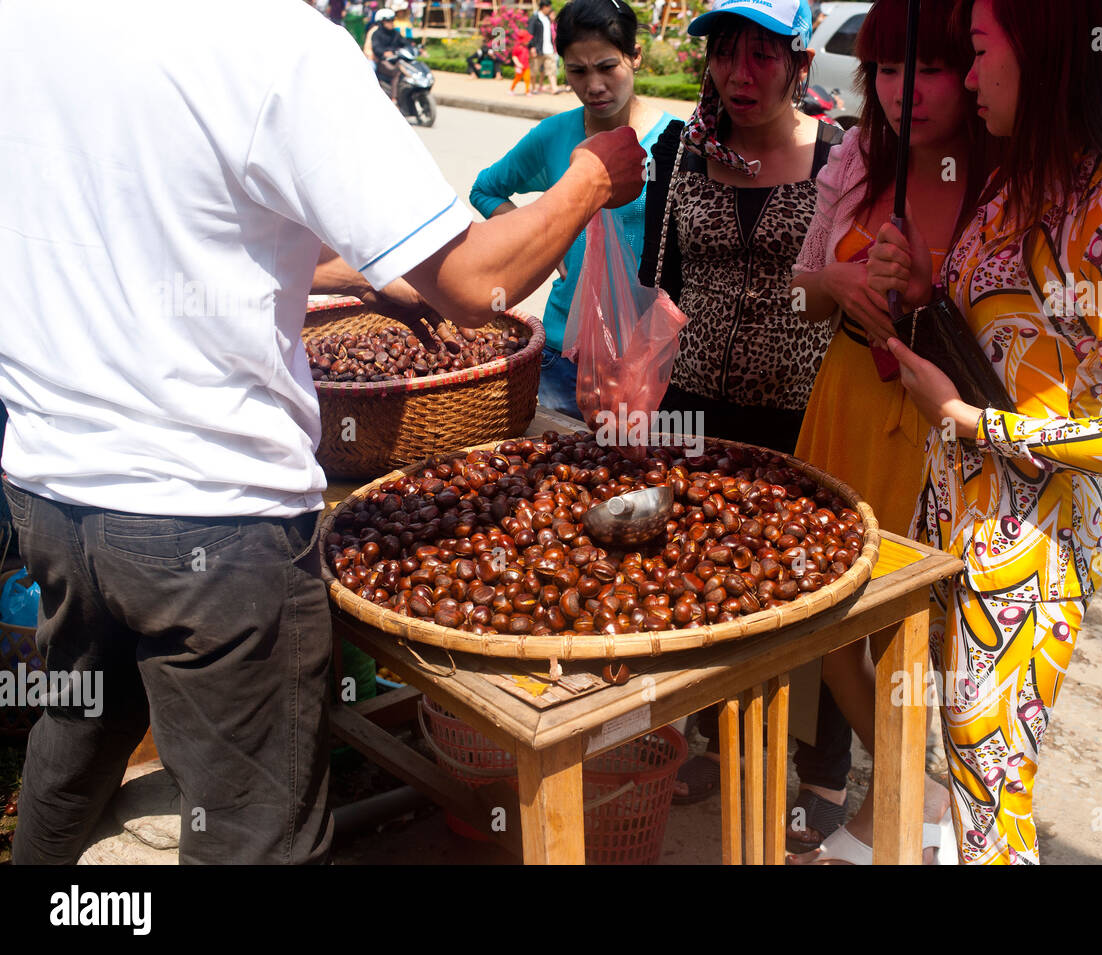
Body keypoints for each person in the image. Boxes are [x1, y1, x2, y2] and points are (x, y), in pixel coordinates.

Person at [0, 0, 644, 866]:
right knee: (253, 833)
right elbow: (477, 280)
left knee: (76, 739)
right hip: (211, 520)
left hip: (50, 486)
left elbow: (189, 221)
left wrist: (386, 264)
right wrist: (594, 177)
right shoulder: (273, 40)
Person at [866, 0, 1102, 864]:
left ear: (1043, 56)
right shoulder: (1018, 182)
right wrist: (932, 290)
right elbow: (1020, 351)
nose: (967, 78)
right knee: (967, 778)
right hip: (953, 523)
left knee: (991, 798)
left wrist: (975, 421)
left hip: (1026, 554)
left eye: (976, 53)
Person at [786, 0, 991, 864]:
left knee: (910, 624)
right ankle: (910, 789)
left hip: (934, 410)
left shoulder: (997, 172)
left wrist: (922, 291)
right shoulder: (862, 153)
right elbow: (802, 290)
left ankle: (888, 808)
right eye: (889, 71)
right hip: (847, 394)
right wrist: (837, 277)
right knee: (827, 614)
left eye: (932, 68)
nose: (906, 90)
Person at [637, 0, 848, 805]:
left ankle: (822, 779)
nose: (741, 74)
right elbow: (662, 282)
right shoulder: (679, 147)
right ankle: (715, 748)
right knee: (696, 572)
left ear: (799, 63)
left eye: (764, 55)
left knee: (812, 585)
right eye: (726, 53)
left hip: (802, 409)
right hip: (691, 407)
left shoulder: (841, 154)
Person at [472, 0, 675, 419]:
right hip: (565, 352)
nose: (594, 85)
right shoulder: (553, 136)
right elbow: (486, 189)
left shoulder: (675, 142)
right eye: (578, 71)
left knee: (637, 474)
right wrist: (548, 244)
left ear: (635, 56)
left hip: (649, 355)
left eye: (607, 66)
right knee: (564, 470)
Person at [366, 8, 407, 101]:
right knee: (396, 71)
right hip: (380, 61)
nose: (391, 22)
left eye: (392, 20)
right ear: (381, 21)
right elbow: (376, 48)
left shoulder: (395, 33)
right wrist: (385, 53)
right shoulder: (376, 33)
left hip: (395, 60)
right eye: (388, 20)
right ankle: (394, 98)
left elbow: (404, 42)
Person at [530, 0, 560, 95]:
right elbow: (530, 33)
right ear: (544, 7)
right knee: (534, 70)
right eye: (548, 7)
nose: (550, 9)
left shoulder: (547, 19)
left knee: (551, 69)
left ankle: (554, 88)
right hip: (538, 48)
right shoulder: (535, 18)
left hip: (549, 49)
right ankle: (533, 87)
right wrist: (532, 47)